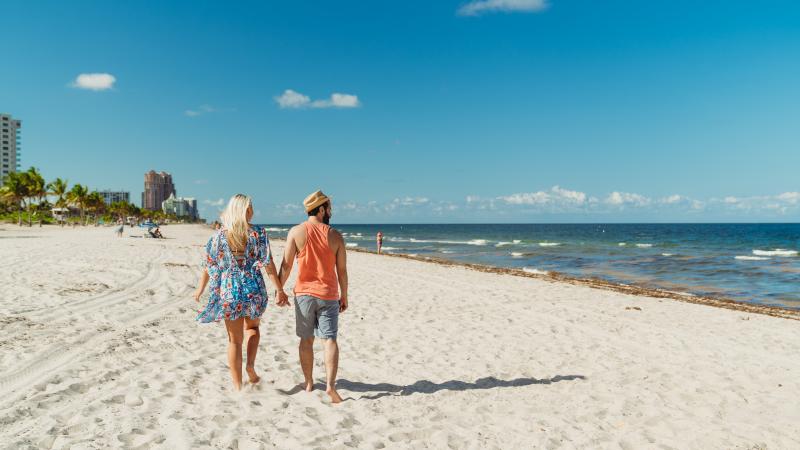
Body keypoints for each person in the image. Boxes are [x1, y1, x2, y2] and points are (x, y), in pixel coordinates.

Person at [193, 194, 289, 391]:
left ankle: (237, 386)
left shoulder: (219, 236)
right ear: (245, 210)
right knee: (253, 329)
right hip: (254, 288)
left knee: (234, 341)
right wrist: (279, 289)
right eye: (251, 207)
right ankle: (250, 367)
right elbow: (268, 264)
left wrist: (200, 289)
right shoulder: (259, 233)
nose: (253, 210)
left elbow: (209, 266)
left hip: (230, 291)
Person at [279, 190, 349, 404]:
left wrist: (279, 289)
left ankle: (308, 382)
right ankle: (330, 386)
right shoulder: (335, 235)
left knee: (306, 340)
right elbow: (342, 271)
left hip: (304, 296)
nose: (330, 211)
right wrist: (344, 295)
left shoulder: (296, 232)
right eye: (329, 207)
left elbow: (287, 265)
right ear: (321, 209)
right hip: (328, 295)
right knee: (330, 340)